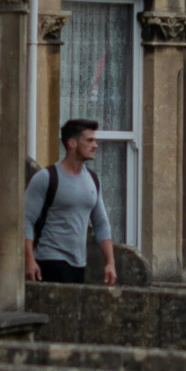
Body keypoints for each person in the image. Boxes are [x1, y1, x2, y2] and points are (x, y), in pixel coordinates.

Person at [24, 119, 119, 287]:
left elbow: (101, 223)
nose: (95, 145)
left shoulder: (93, 180)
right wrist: (29, 260)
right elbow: (25, 220)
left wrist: (110, 263)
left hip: (80, 264)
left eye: (94, 140)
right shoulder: (47, 177)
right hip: (50, 260)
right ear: (72, 143)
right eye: (89, 140)